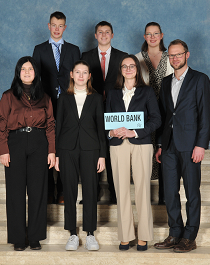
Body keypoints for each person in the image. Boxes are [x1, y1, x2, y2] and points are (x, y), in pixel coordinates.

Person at [154, 39, 210, 253]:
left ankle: (190, 236)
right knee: (170, 192)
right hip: (168, 145)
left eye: (179, 54)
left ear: (187, 55)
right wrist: (160, 144)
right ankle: (175, 232)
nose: (175, 58)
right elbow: (165, 115)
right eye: (171, 55)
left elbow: (205, 115)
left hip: (190, 145)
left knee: (191, 192)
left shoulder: (200, 79)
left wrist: (201, 145)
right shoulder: (166, 81)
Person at [0, 56, 56, 251]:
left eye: (30, 69)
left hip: (39, 143)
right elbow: (1, 122)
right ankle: (18, 238)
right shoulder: (8, 96)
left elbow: (51, 125)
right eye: (23, 69)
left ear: (35, 73)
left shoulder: (45, 97)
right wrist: (3, 149)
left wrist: (52, 151)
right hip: (16, 143)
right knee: (15, 192)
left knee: (38, 191)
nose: (27, 72)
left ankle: (36, 236)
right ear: (18, 72)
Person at [106, 55, 161, 251]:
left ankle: (144, 236)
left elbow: (156, 120)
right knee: (121, 190)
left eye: (132, 66)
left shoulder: (147, 92)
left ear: (137, 69)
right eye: (124, 66)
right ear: (120, 70)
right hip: (117, 144)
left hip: (141, 143)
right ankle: (125, 235)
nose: (128, 69)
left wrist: (134, 132)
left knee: (142, 190)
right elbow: (106, 121)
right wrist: (111, 131)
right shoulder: (112, 94)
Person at [55, 60, 106, 251]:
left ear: (89, 76)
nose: (81, 76)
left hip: (90, 149)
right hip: (67, 149)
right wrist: (58, 154)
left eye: (85, 72)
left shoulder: (96, 98)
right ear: (71, 74)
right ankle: (72, 234)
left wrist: (102, 155)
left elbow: (101, 128)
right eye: (78, 72)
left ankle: (90, 233)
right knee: (69, 191)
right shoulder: (63, 99)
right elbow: (58, 127)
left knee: (90, 191)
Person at [32, 11, 80, 204]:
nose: (57, 29)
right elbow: (34, 79)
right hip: (46, 103)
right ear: (49, 26)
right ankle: (49, 189)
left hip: (68, 103)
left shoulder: (74, 49)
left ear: (65, 27)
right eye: (54, 25)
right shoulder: (39, 49)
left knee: (64, 145)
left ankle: (62, 190)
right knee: (47, 144)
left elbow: (78, 76)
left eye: (61, 26)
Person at [81, 21, 127, 204]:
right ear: (95, 35)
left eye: (107, 32)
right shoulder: (85, 56)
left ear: (112, 35)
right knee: (93, 151)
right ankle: (93, 192)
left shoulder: (122, 56)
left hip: (115, 109)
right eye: (100, 32)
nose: (104, 35)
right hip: (91, 110)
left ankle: (115, 194)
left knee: (114, 151)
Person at [135, 22, 173, 205]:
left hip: (167, 111)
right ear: (144, 37)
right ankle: (143, 196)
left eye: (155, 33)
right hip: (145, 112)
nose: (152, 37)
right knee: (145, 152)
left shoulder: (171, 57)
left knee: (164, 151)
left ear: (161, 35)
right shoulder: (136, 58)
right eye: (148, 34)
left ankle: (164, 195)